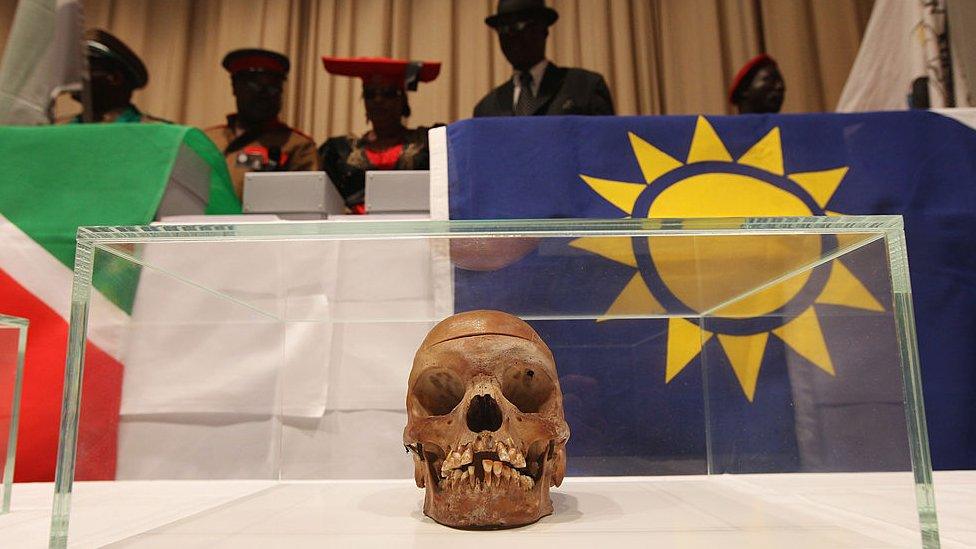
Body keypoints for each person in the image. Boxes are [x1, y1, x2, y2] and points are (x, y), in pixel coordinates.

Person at [318, 56, 441, 213]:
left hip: (415, 230)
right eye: (370, 94)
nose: (378, 100)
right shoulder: (339, 151)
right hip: (355, 233)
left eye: (388, 93)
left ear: (402, 100)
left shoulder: (426, 143)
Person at [204, 48, 317, 199]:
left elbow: (307, 205)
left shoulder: (296, 145)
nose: (263, 96)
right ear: (235, 87)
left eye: (272, 88)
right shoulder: (208, 140)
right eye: (254, 86)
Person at [473, 0, 614, 117]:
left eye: (520, 25)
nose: (511, 35)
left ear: (543, 29)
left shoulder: (585, 87)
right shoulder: (486, 109)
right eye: (503, 28)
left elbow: (606, 147)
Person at [70, 29, 168, 123]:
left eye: (83, 70)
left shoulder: (160, 134)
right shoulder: (59, 130)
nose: (72, 76)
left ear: (115, 78)